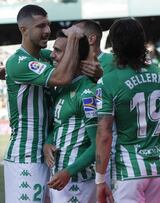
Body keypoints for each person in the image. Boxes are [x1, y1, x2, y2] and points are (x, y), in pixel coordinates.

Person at [4, 4, 84, 203]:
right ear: (24, 29)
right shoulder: (19, 62)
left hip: (49, 155)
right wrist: (73, 38)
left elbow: (77, 63)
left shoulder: (47, 57)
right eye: (41, 26)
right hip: (26, 156)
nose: (47, 30)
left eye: (48, 25)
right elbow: (63, 77)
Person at [95, 18, 160, 203]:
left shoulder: (109, 80)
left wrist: (100, 179)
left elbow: (104, 135)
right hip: (159, 167)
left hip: (129, 170)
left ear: (114, 45)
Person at [45, 30, 98, 203]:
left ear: (73, 55)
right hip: (60, 179)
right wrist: (47, 142)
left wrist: (69, 171)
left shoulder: (87, 93)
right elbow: (58, 125)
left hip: (78, 182)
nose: (52, 55)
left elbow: (98, 144)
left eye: (58, 50)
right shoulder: (61, 87)